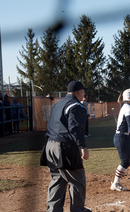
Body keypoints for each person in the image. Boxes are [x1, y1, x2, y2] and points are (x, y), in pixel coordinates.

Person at [40, 81, 91, 212]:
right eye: (83, 92)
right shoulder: (76, 106)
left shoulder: (58, 104)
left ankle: (53, 210)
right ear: (79, 92)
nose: (84, 94)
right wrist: (83, 147)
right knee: (77, 179)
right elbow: (75, 128)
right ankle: (77, 209)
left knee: (57, 180)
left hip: (49, 145)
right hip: (64, 147)